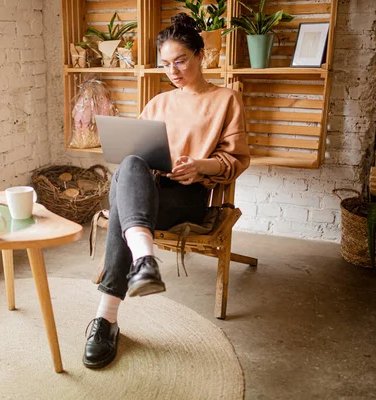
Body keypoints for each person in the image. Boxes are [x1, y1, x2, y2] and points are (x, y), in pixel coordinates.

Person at [82, 13, 251, 369]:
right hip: (148, 192)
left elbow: (235, 159)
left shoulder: (226, 100)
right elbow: (137, 154)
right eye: (165, 64)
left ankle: (106, 320)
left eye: (180, 61)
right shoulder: (158, 102)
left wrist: (199, 166)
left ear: (200, 55)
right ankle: (143, 261)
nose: (172, 71)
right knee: (129, 165)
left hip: (186, 196)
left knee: (124, 210)